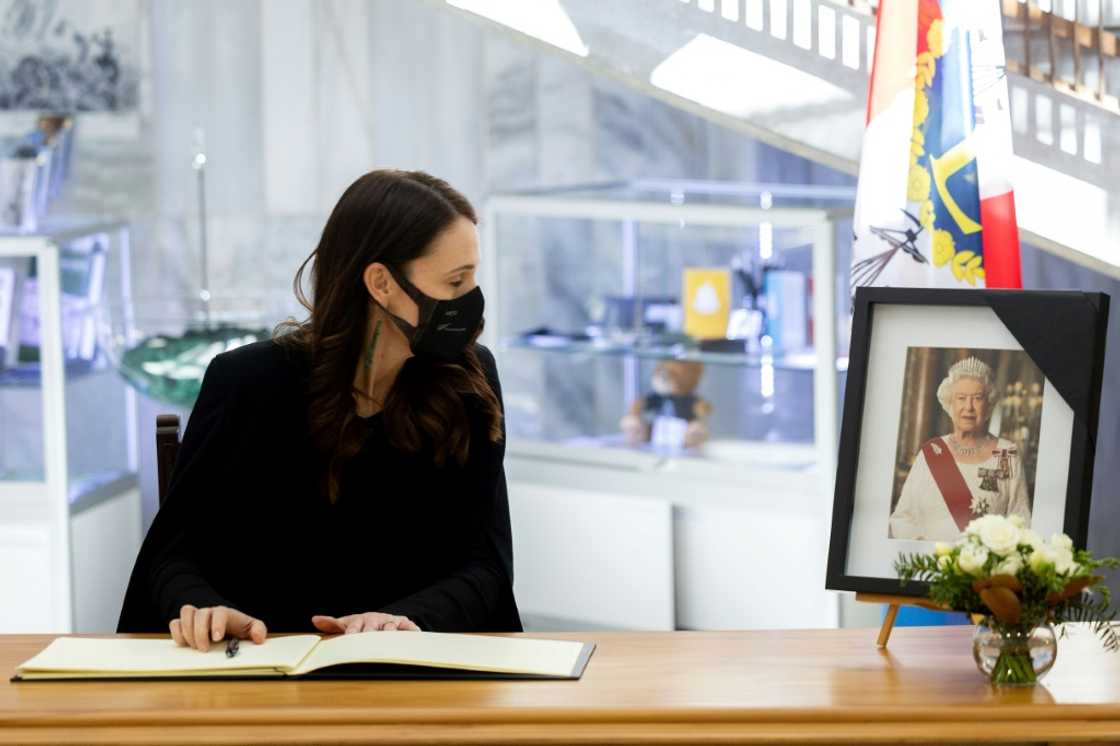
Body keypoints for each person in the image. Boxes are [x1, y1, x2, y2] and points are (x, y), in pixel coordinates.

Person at [118, 170, 521, 649]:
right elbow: (172, 553)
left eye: (473, 277)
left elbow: (489, 564)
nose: (471, 301)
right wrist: (204, 609)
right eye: (456, 281)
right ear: (381, 283)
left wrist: (405, 620)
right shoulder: (246, 383)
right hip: (263, 672)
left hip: (415, 670)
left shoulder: (469, 381)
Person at [889, 356, 1031, 542]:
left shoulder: (1006, 453)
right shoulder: (932, 452)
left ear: (988, 404)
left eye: (977, 398)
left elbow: (1020, 521)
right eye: (961, 398)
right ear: (950, 403)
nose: (968, 407)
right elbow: (902, 519)